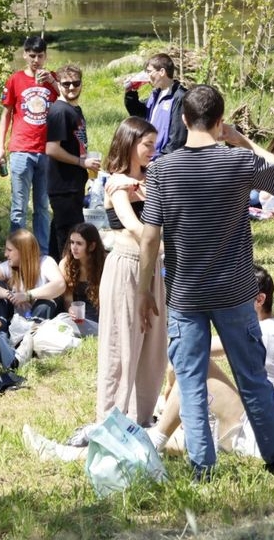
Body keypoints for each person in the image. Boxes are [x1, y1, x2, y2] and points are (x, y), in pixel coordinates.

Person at [137, 84, 274, 477]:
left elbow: (150, 238)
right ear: (220, 121)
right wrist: (243, 142)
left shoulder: (161, 169)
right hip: (235, 291)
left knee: (190, 381)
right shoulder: (238, 162)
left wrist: (144, 290)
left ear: (183, 119)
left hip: (186, 293)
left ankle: (202, 467)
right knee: (252, 377)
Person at [149, 268, 274, 459]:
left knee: (196, 364)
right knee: (181, 435)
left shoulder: (267, 333)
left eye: (235, 296)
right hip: (261, 434)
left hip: (260, 440)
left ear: (259, 300)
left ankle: (155, 440)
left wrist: (171, 383)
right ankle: (159, 437)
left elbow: (191, 350)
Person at [96, 116, 166, 426]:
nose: (153, 150)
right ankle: (111, 420)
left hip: (155, 268)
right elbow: (136, 227)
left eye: (154, 144)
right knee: (121, 345)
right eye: (147, 144)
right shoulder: (116, 183)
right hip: (127, 265)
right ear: (130, 144)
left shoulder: (151, 180)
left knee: (154, 347)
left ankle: (142, 419)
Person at [0, 35, 59, 255]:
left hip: (47, 150)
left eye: (40, 56)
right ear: (24, 55)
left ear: (46, 56)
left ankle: (42, 253)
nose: (36, 60)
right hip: (21, 148)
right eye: (32, 56)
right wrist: (0, 147)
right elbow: (6, 114)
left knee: (42, 206)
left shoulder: (54, 80)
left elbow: (69, 101)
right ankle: (16, 252)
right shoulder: (15, 80)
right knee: (18, 207)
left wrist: (52, 82)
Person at [44, 64, 101, 259]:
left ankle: (50, 278)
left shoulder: (74, 109)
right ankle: (67, 284)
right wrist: (80, 162)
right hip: (63, 185)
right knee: (69, 241)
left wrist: (84, 161)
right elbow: (51, 148)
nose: (71, 88)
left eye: (75, 83)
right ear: (58, 84)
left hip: (74, 183)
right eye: (66, 84)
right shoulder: (59, 111)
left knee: (58, 234)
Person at [0, 229, 64, 325]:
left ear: (23, 251)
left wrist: (27, 296)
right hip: (15, 320)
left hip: (40, 319)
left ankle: (33, 332)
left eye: (9, 250)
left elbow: (60, 284)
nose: (5, 254)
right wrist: (9, 295)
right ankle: (0, 332)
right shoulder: (8, 266)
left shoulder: (45, 262)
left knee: (48, 299)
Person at [123, 53, 186, 159]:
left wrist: (163, 160)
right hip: (149, 156)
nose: (147, 76)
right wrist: (131, 92)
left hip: (163, 161)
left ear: (162, 72)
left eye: (149, 72)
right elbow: (139, 114)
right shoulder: (156, 93)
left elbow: (177, 136)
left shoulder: (179, 97)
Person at [59, 222, 105, 325]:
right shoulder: (66, 264)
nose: (74, 247)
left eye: (79, 243)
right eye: (72, 242)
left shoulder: (104, 263)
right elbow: (68, 298)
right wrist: (70, 310)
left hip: (101, 310)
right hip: (78, 312)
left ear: (92, 246)